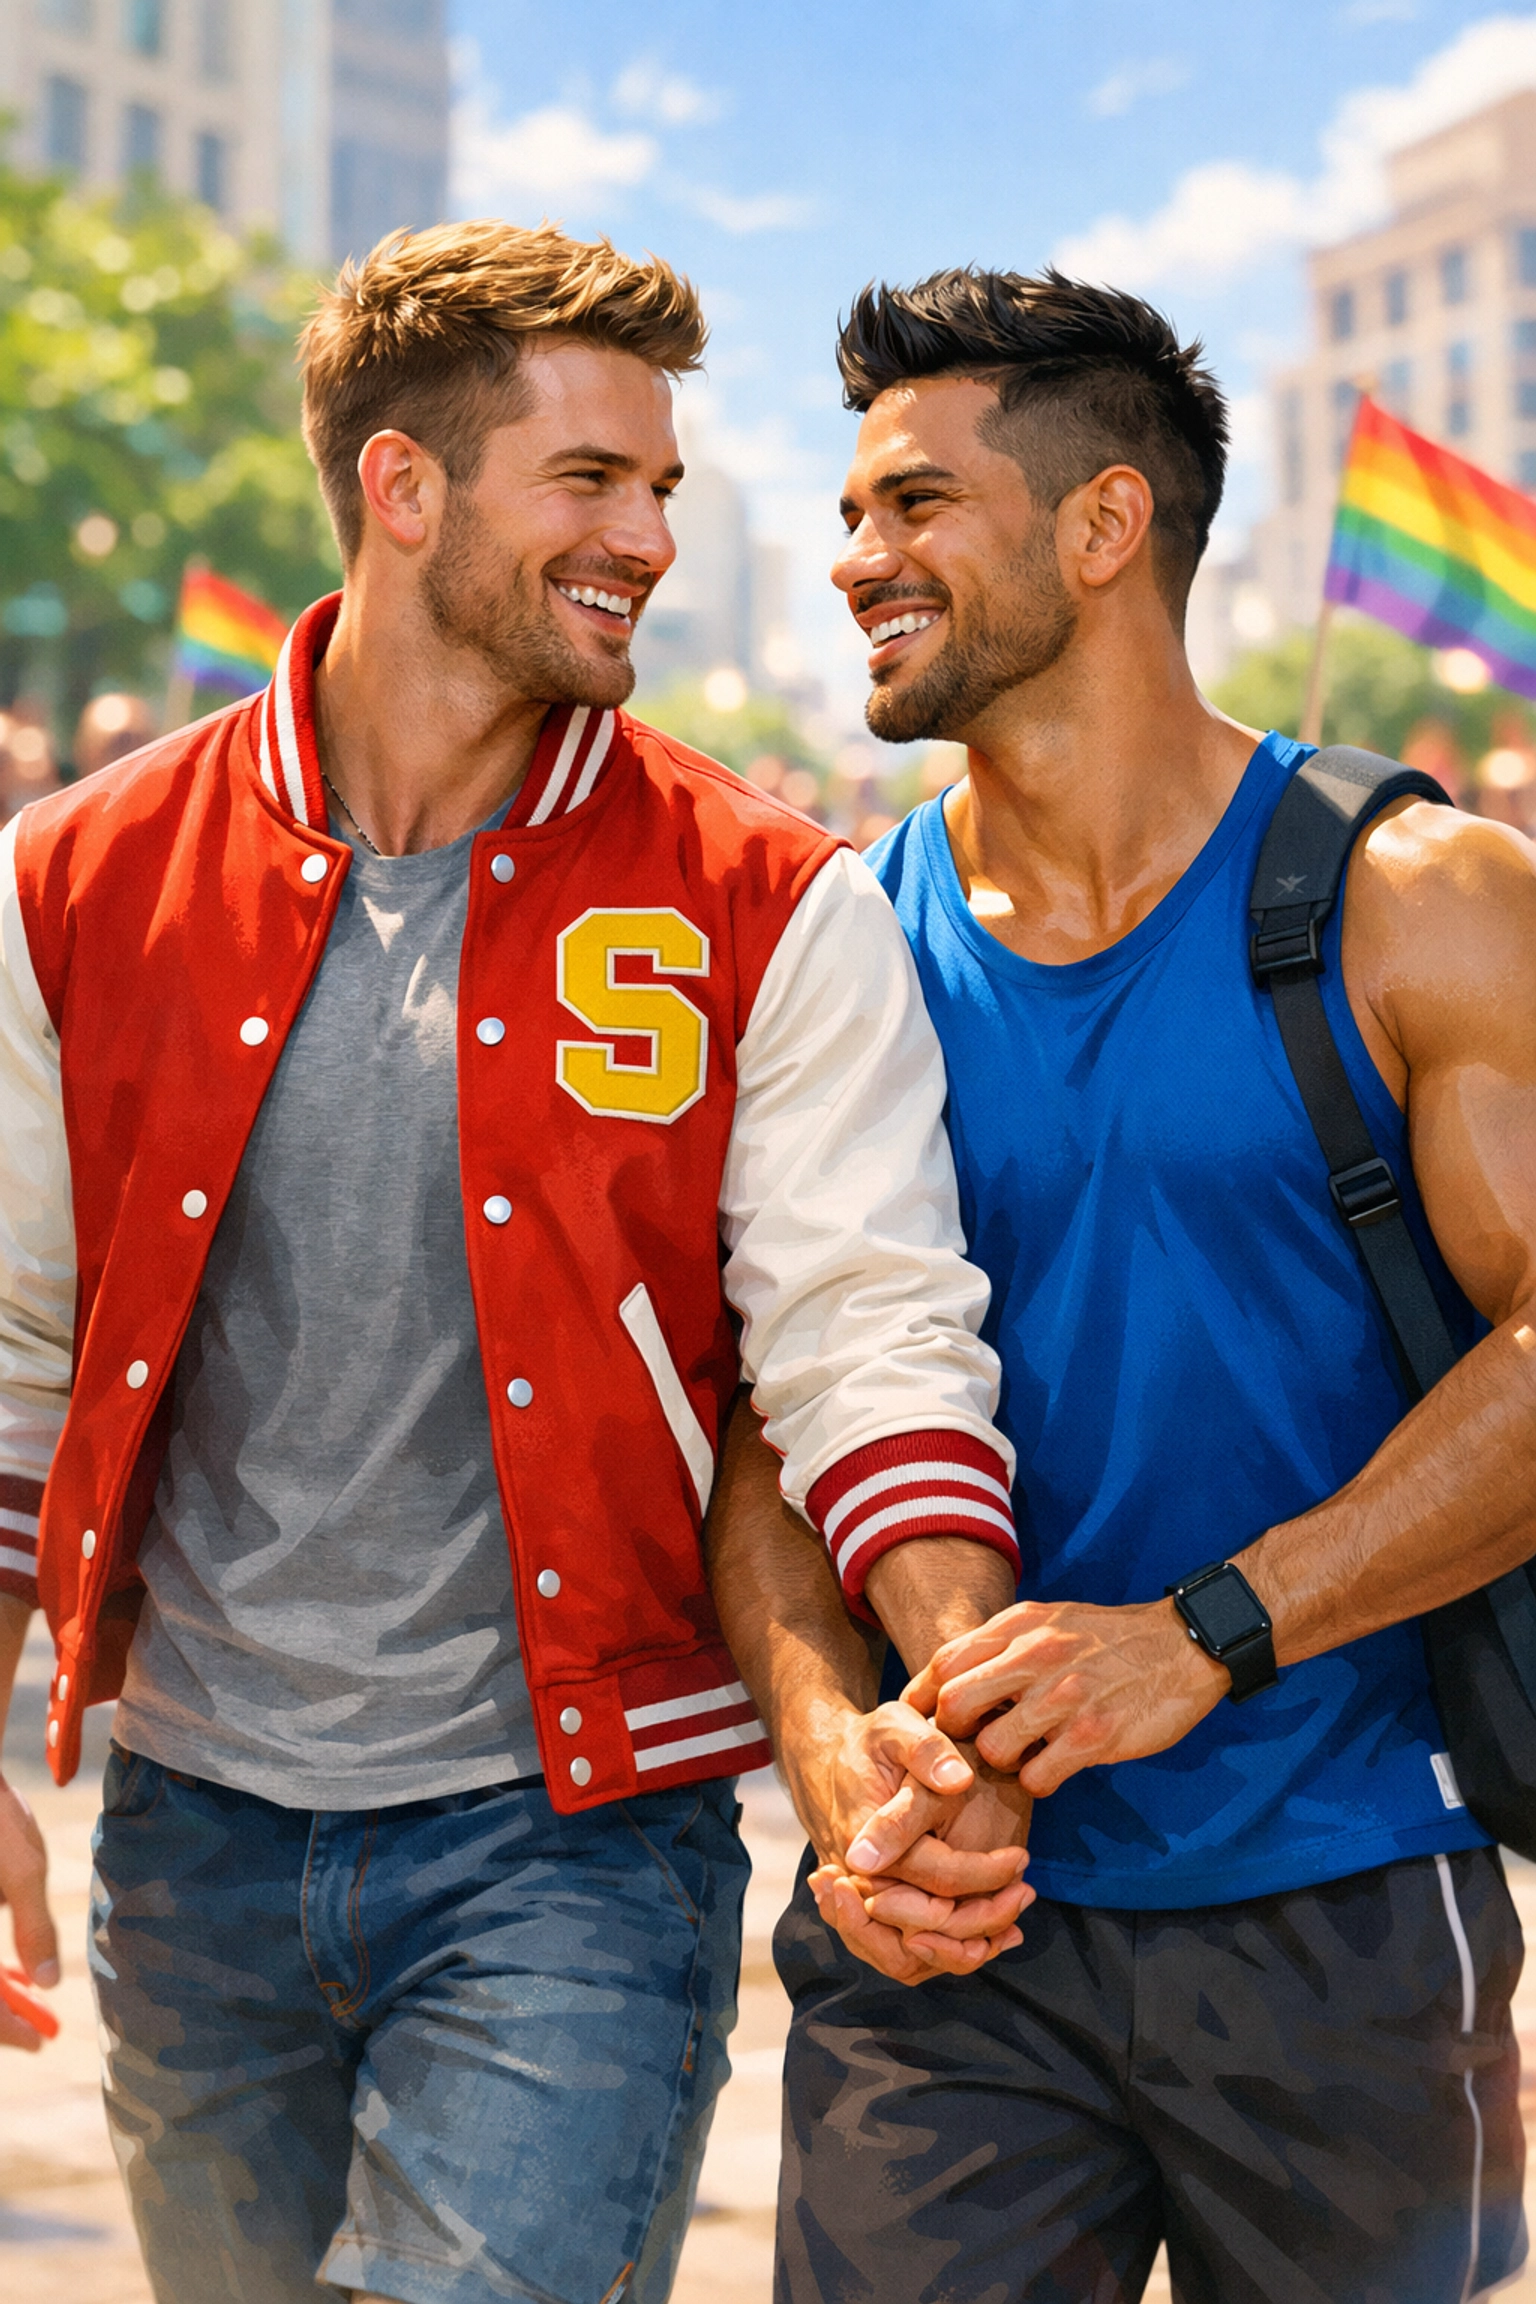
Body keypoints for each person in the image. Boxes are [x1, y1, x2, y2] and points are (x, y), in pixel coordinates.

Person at [0, 221, 1032, 2304]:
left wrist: (950, 1711)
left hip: (576, 1849)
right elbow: (23, 1352)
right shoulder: (76, 878)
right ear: (403, 487)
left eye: (661, 485)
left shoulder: (769, 896)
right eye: (591, 480)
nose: (649, 536)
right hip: (190, 1847)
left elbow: (867, 1346)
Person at [709, 269, 1536, 2303]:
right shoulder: (838, 941)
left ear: (1104, 525)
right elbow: (764, 1427)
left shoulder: (1420, 895)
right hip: (952, 1931)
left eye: (916, 504)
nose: (857, 558)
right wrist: (833, 1763)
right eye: (849, 513)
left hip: (1347, 1893)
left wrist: (1205, 1636)